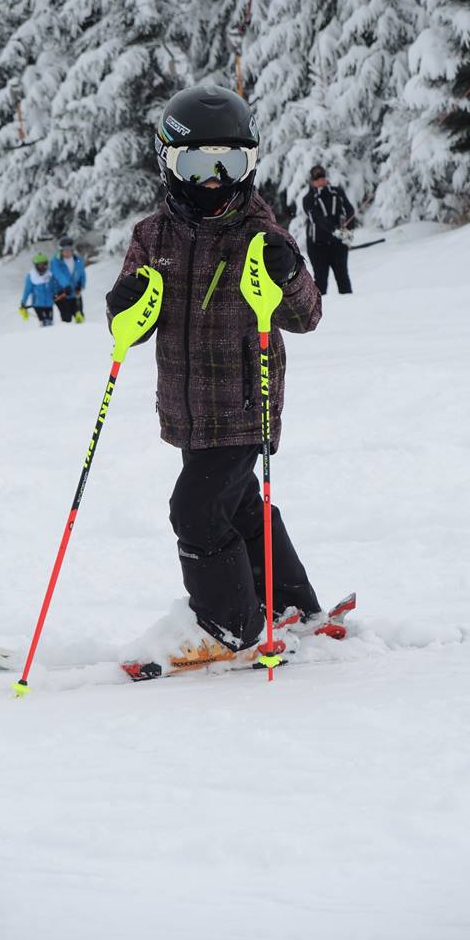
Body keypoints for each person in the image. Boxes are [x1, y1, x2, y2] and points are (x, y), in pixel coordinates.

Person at [106, 84, 329, 668]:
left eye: (228, 164)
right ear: (168, 163)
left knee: (197, 512)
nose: (213, 182)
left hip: (244, 404)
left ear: (249, 164)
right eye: (197, 166)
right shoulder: (152, 237)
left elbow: (306, 316)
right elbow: (135, 324)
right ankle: (292, 604)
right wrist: (122, 305)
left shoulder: (263, 235)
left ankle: (229, 624)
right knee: (239, 508)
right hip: (186, 410)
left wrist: (290, 274)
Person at [302, 165, 355, 295]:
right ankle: (319, 307)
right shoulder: (308, 199)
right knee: (321, 281)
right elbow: (316, 218)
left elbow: (350, 210)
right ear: (312, 181)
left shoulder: (337, 192)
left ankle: (351, 305)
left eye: (322, 178)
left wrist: (349, 230)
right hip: (317, 246)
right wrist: (334, 230)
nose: (320, 181)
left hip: (338, 245)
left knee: (343, 278)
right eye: (317, 179)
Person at [51, 235, 86, 323]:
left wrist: (80, 285)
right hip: (62, 293)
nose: (67, 251)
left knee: (79, 316)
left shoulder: (77, 260)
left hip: (75, 293)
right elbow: (58, 275)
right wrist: (66, 286)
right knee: (66, 318)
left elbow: (82, 273)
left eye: (69, 249)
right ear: (61, 250)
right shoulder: (56, 261)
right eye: (64, 249)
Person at [20, 253, 56, 326]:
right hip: (38, 304)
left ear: (46, 264)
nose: (41, 267)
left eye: (43, 264)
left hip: (49, 304)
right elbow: (27, 290)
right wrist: (23, 302)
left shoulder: (50, 274)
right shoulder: (32, 276)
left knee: (50, 322)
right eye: (39, 265)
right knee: (44, 322)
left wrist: (56, 293)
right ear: (36, 265)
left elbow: (54, 286)